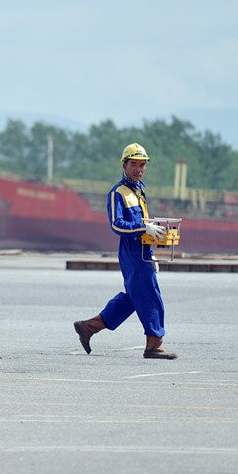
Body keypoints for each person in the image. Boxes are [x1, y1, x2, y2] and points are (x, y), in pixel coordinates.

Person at [73, 143, 176, 359]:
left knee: (134, 297)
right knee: (150, 296)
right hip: (131, 252)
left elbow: (143, 223)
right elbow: (117, 225)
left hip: (143, 251)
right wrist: (143, 228)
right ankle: (154, 345)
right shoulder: (117, 193)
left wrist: (151, 251)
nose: (139, 169)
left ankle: (89, 326)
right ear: (124, 165)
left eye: (142, 165)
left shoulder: (139, 192)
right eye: (134, 164)